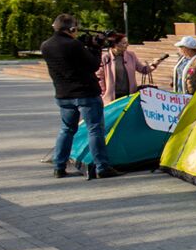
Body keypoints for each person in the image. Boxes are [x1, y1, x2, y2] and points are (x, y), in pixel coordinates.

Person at [41, 14, 117, 180]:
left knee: (66, 129)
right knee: (95, 129)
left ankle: (59, 167)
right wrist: (96, 48)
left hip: (63, 95)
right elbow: (93, 64)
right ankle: (102, 167)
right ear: (72, 29)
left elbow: (69, 58)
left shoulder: (46, 45)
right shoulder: (73, 45)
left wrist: (86, 45)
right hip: (85, 94)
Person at [97, 33, 156, 103]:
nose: (127, 45)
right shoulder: (105, 58)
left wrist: (154, 64)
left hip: (129, 95)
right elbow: (99, 77)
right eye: (124, 43)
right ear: (116, 44)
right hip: (112, 97)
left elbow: (143, 70)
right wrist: (104, 92)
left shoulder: (131, 55)